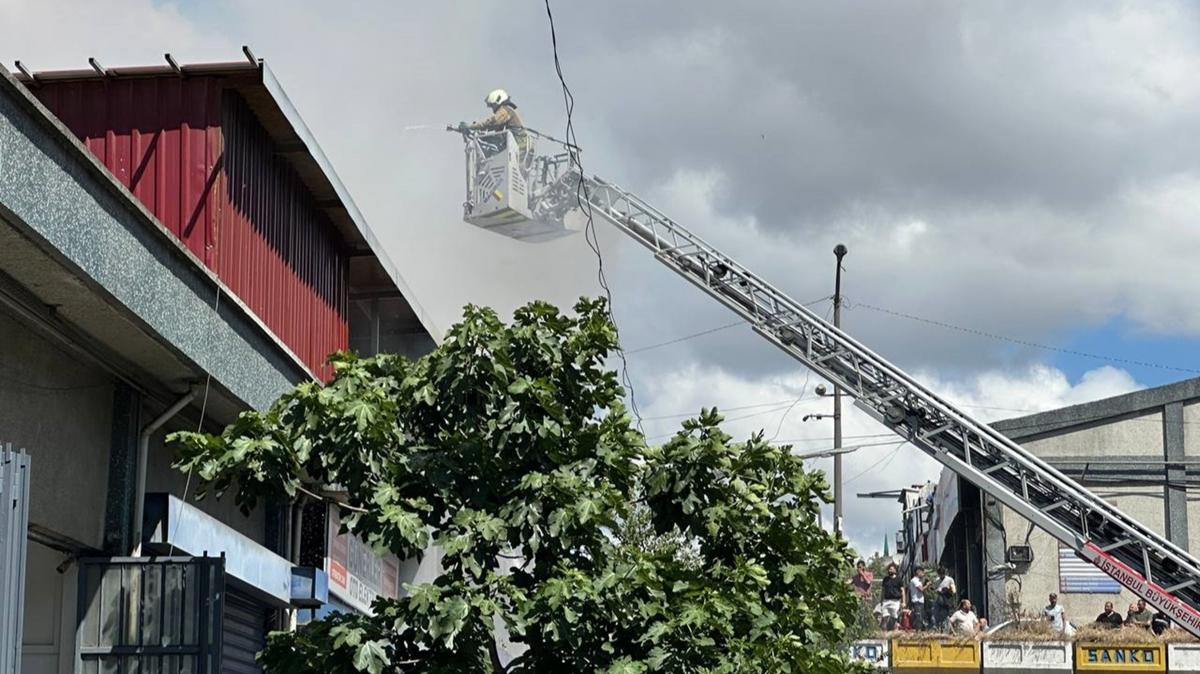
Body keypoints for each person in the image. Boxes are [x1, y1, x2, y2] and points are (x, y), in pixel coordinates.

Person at [461, 89, 531, 157]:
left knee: (490, 142)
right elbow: (493, 126)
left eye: (493, 105)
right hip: (520, 145)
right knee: (489, 139)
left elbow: (492, 122)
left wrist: (471, 126)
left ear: (498, 101)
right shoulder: (511, 110)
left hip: (518, 145)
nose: (492, 109)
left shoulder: (505, 110)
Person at [880, 563, 905, 631]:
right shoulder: (885, 579)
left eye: (891, 569)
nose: (889, 570)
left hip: (895, 601)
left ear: (895, 570)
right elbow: (883, 591)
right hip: (886, 601)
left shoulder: (899, 579)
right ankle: (884, 637)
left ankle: (895, 636)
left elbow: (902, 591)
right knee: (884, 619)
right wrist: (881, 601)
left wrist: (903, 602)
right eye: (889, 569)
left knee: (894, 620)